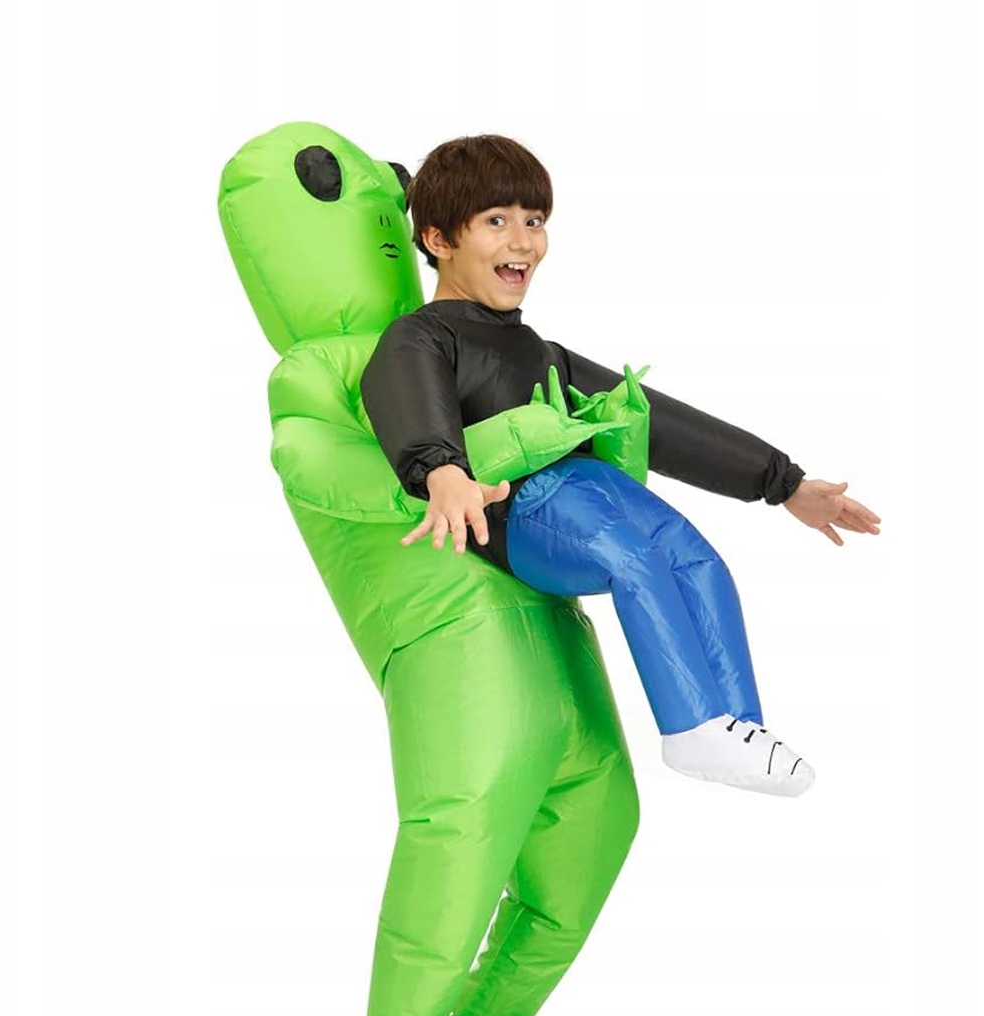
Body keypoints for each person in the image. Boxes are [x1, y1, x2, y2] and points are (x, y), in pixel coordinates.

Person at [361, 134, 881, 798]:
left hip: (591, 488)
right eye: (496, 221)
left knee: (695, 556)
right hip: (522, 509)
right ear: (438, 239)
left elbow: (658, 418)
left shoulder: (541, 352)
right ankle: (689, 725)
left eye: (534, 220)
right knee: (630, 557)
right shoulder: (421, 336)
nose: (523, 241)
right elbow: (408, 396)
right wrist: (442, 472)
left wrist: (783, 482)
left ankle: (738, 726)